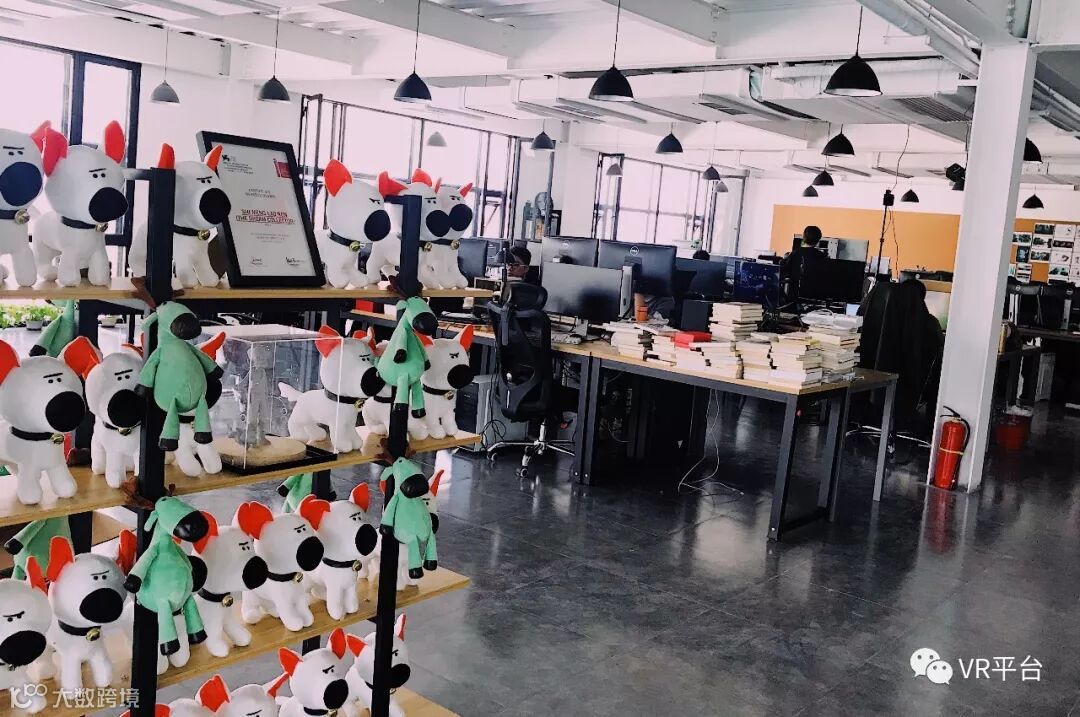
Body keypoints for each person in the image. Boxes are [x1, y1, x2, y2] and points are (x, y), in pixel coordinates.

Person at [781, 225, 826, 304]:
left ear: (803, 237)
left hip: (794, 297)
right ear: (818, 240)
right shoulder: (822, 256)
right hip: (814, 298)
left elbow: (785, 273)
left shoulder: (794, 254)